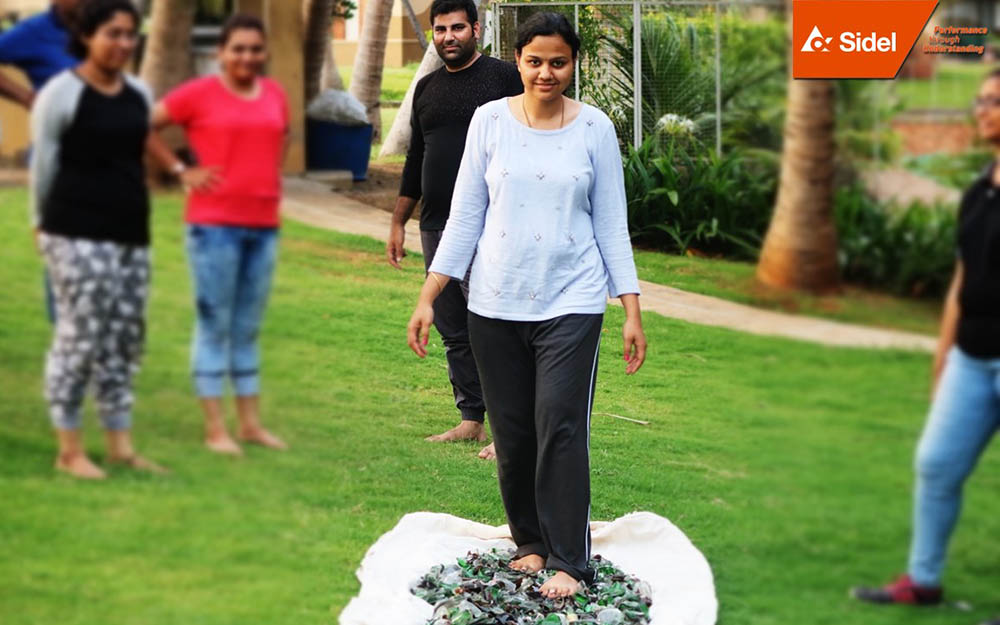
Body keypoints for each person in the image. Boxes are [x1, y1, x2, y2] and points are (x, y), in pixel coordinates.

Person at [406, 12, 647, 598]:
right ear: (517, 60)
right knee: (513, 434)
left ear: (573, 64)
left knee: (560, 426)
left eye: (558, 62)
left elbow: (611, 224)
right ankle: (530, 544)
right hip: (494, 303)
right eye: (535, 61)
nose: (546, 73)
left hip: (573, 301)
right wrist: (428, 295)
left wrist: (631, 309)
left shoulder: (594, 128)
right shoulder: (489, 121)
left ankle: (569, 559)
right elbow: (465, 216)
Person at [852, 70, 1000, 625]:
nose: (982, 109)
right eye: (980, 100)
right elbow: (963, 278)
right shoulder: (981, 191)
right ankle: (923, 581)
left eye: (994, 101)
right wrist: (942, 358)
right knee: (936, 464)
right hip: (971, 358)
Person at [30, 0, 164, 479]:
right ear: (86, 36)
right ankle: (69, 450)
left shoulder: (138, 93)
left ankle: (119, 446)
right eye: (112, 33)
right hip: (74, 232)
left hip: (130, 234)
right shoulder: (61, 93)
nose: (123, 43)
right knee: (79, 338)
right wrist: (40, 224)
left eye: (130, 34)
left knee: (124, 340)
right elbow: (44, 164)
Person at [387, 0, 522, 459]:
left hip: (492, 223)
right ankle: (471, 419)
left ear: (476, 29)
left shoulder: (504, 78)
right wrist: (398, 220)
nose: (448, 37)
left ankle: (510, 430)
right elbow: (415, 159)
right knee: (453, 329)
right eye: (440, 29)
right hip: (436, 224)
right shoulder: (426, 87)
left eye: (457, 28)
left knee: (496, 328)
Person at [151, 13, 289, 455]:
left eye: (255, 49)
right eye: (238, 49)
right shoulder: (198, 93)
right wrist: (180, 169)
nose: (247, 56)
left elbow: (280, 139)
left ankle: (249, 425)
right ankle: (215, 429)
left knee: (246, 329)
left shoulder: (274, 94)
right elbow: (144, 124)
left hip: (263, 228)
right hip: (213, 229)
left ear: (264, 52)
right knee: (214, 326)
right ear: (221, 53)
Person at [0, 0, 80, 324]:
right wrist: (27, 97)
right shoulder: (34, 31)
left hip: (105, 157)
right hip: (57, 156)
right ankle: (64, 330)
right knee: (62, 249)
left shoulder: (101, 24)